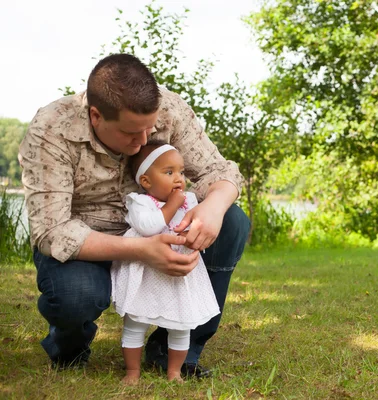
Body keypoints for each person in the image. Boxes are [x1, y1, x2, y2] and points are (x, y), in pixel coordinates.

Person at [19, 53, 250, 378]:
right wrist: (142, 249)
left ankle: (177, 350)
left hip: (163, 233)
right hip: (88, 244)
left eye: (150, 130)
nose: (144, 140)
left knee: (233, 222)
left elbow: (219, 170)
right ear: (96, 116)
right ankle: (70, 349)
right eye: (131, 133)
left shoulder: (169, 109)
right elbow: (51, 231)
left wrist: (213, 207)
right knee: (76, 294)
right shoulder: (51, 128)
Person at [112, 141, 220, 384]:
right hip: (145, 273)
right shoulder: (140, 202)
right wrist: (172, 205)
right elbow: (149, 227)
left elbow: (195, 223)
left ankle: (174, 371)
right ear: (147, 182)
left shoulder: (189, 200)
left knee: (181, 324)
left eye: (181, 172)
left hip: (178, 274)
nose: (178, 178)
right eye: (169, 172)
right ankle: (132, 372)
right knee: (135, 322)